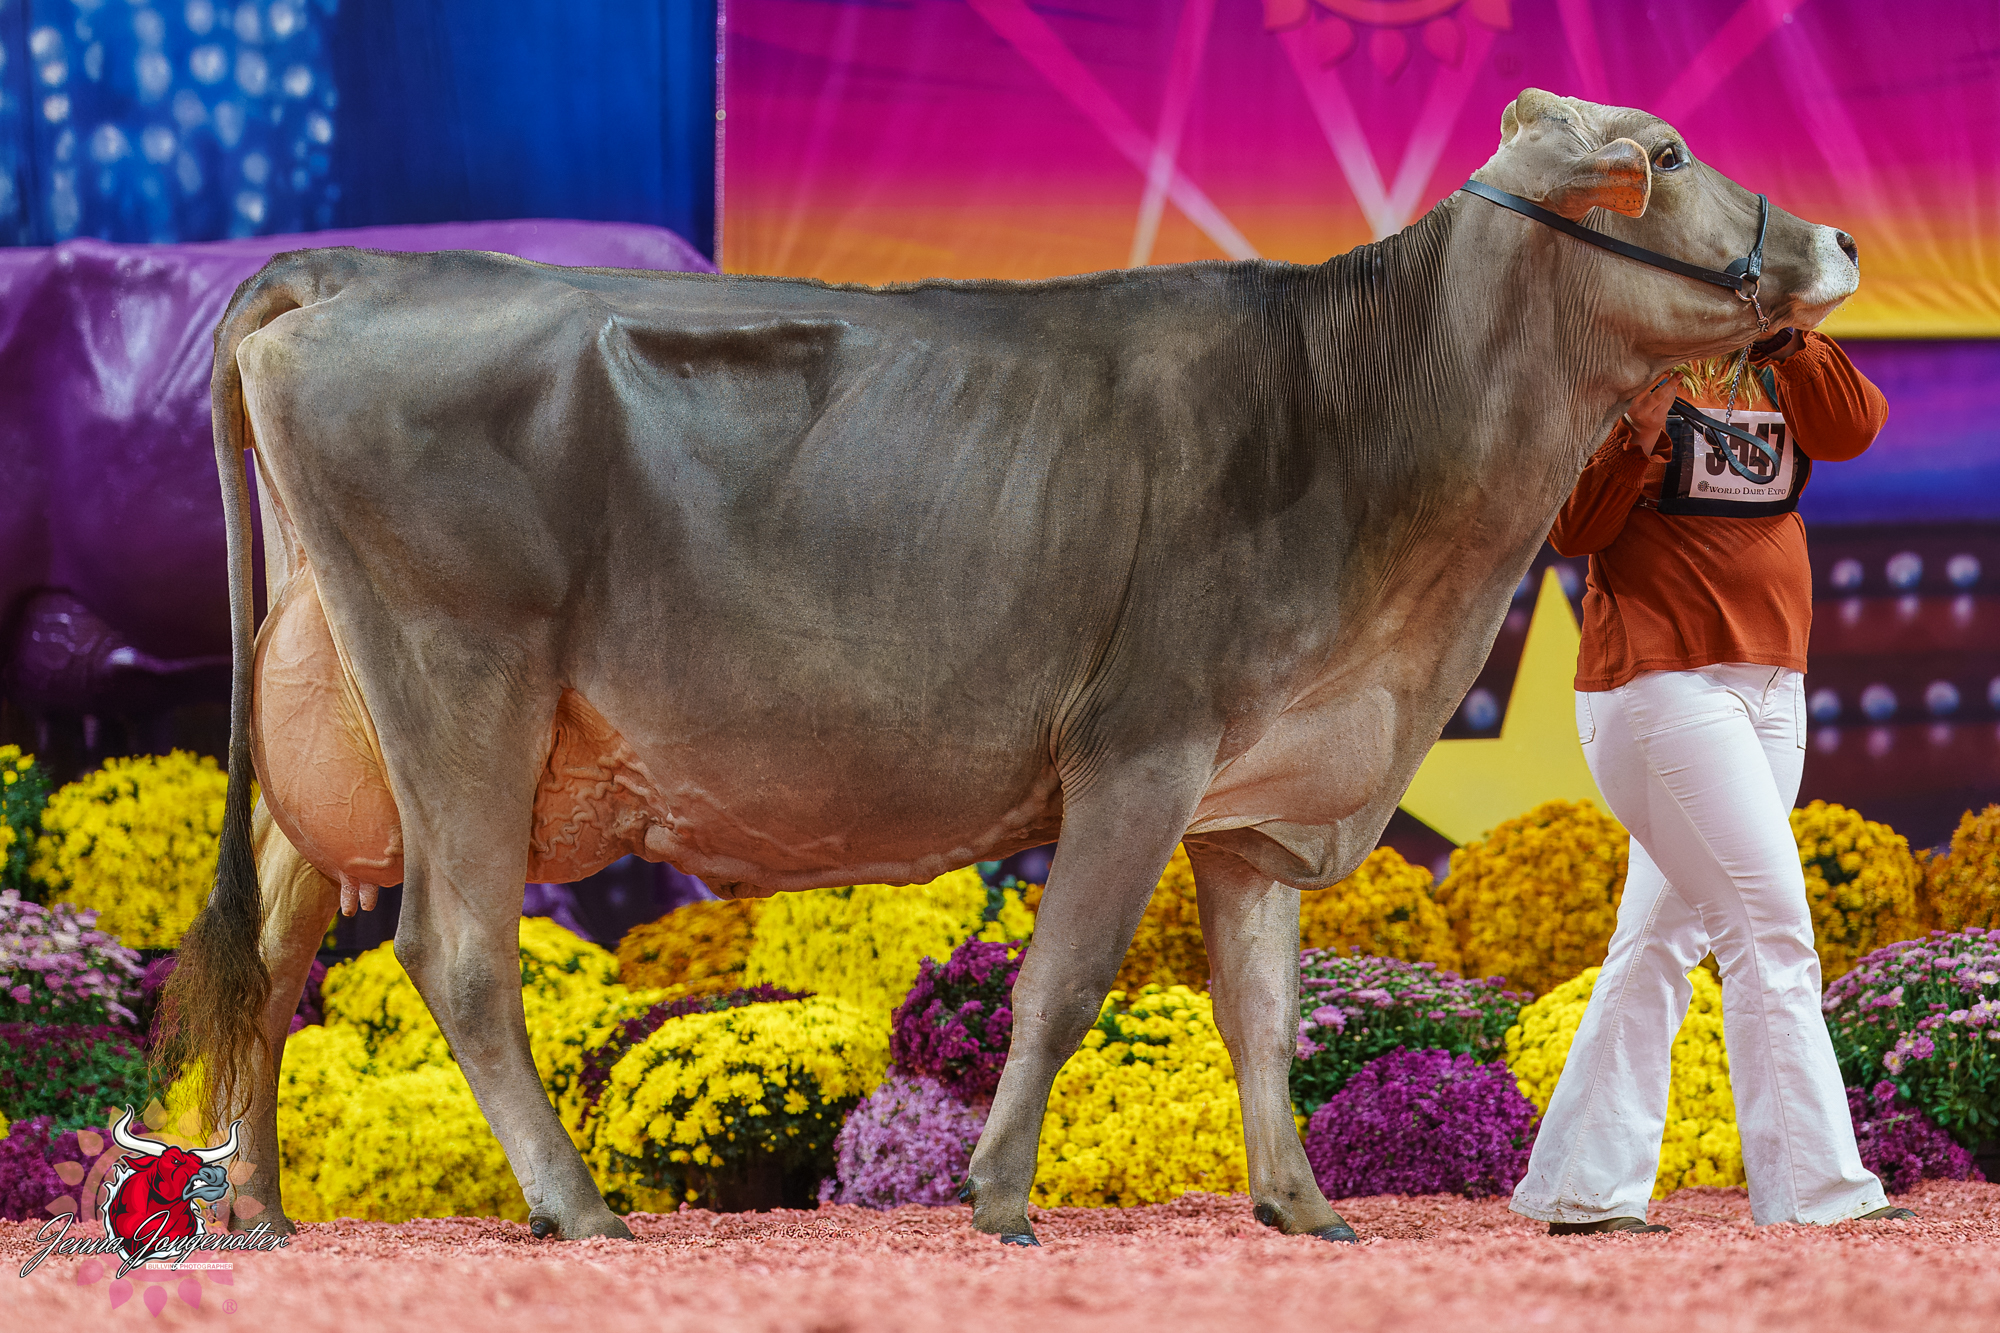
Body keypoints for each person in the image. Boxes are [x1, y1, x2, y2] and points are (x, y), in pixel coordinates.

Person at [1508, 326, 1915, 1233]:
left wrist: (1792, 340)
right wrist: (1635, 432)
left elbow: (1852, 428)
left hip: (1774, 680)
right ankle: (1816, 1192)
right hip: (1658, 682)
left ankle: (1581, 1185)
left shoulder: (1774, 356)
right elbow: (1571, 527)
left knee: (1657, 937)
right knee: (1770, 926)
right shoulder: (1616, 356)